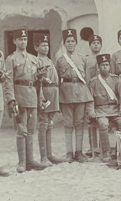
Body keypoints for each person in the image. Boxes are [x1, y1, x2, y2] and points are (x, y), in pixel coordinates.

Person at [3, 29, 46, 172]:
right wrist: (11, 100)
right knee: (21, 129)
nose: (23, 42)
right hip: (19, 97)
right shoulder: (11, 59)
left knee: (31, 129)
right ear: (14, 41)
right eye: (20, 39)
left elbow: (37, 82)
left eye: (25, 39)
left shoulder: (34, 59)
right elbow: (8, 82)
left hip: (32, 96)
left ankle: (30, 161)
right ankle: (22, 162)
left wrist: (40, 98)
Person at [56, 29, 93, 163]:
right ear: (64, 44)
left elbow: (87, 80)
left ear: (76, 43)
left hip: (81, 94)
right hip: (65, 94)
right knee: (67, 124)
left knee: (79, 123)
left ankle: (79, 152)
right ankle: (69, 153)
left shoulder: (83, 59)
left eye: (72, 41)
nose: (70, 44)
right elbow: (57, 81)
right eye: (68, 41)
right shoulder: (60, 60)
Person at [88, 54, 121, 162]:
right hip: (100, 111)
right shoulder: (94, 82)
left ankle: (119, 149)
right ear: (98, 67)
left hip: (115, 110)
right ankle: (106, 152)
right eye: (102, 65)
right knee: (103, 124)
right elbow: (90, 100)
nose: (105, 67)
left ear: (110, 66)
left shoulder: (116, 79)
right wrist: (91, 112)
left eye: (107, 65)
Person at [34, 33, 64, 166]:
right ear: (36, 47)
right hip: (44, 94)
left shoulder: (49, 60)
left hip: (53, 94)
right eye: (43, 45)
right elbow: (35, 78)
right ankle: (43, 157)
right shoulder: (36, 61)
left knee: (49, 125)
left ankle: (49, 155)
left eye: (47, 45)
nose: (46, 47)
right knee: (43, 124)